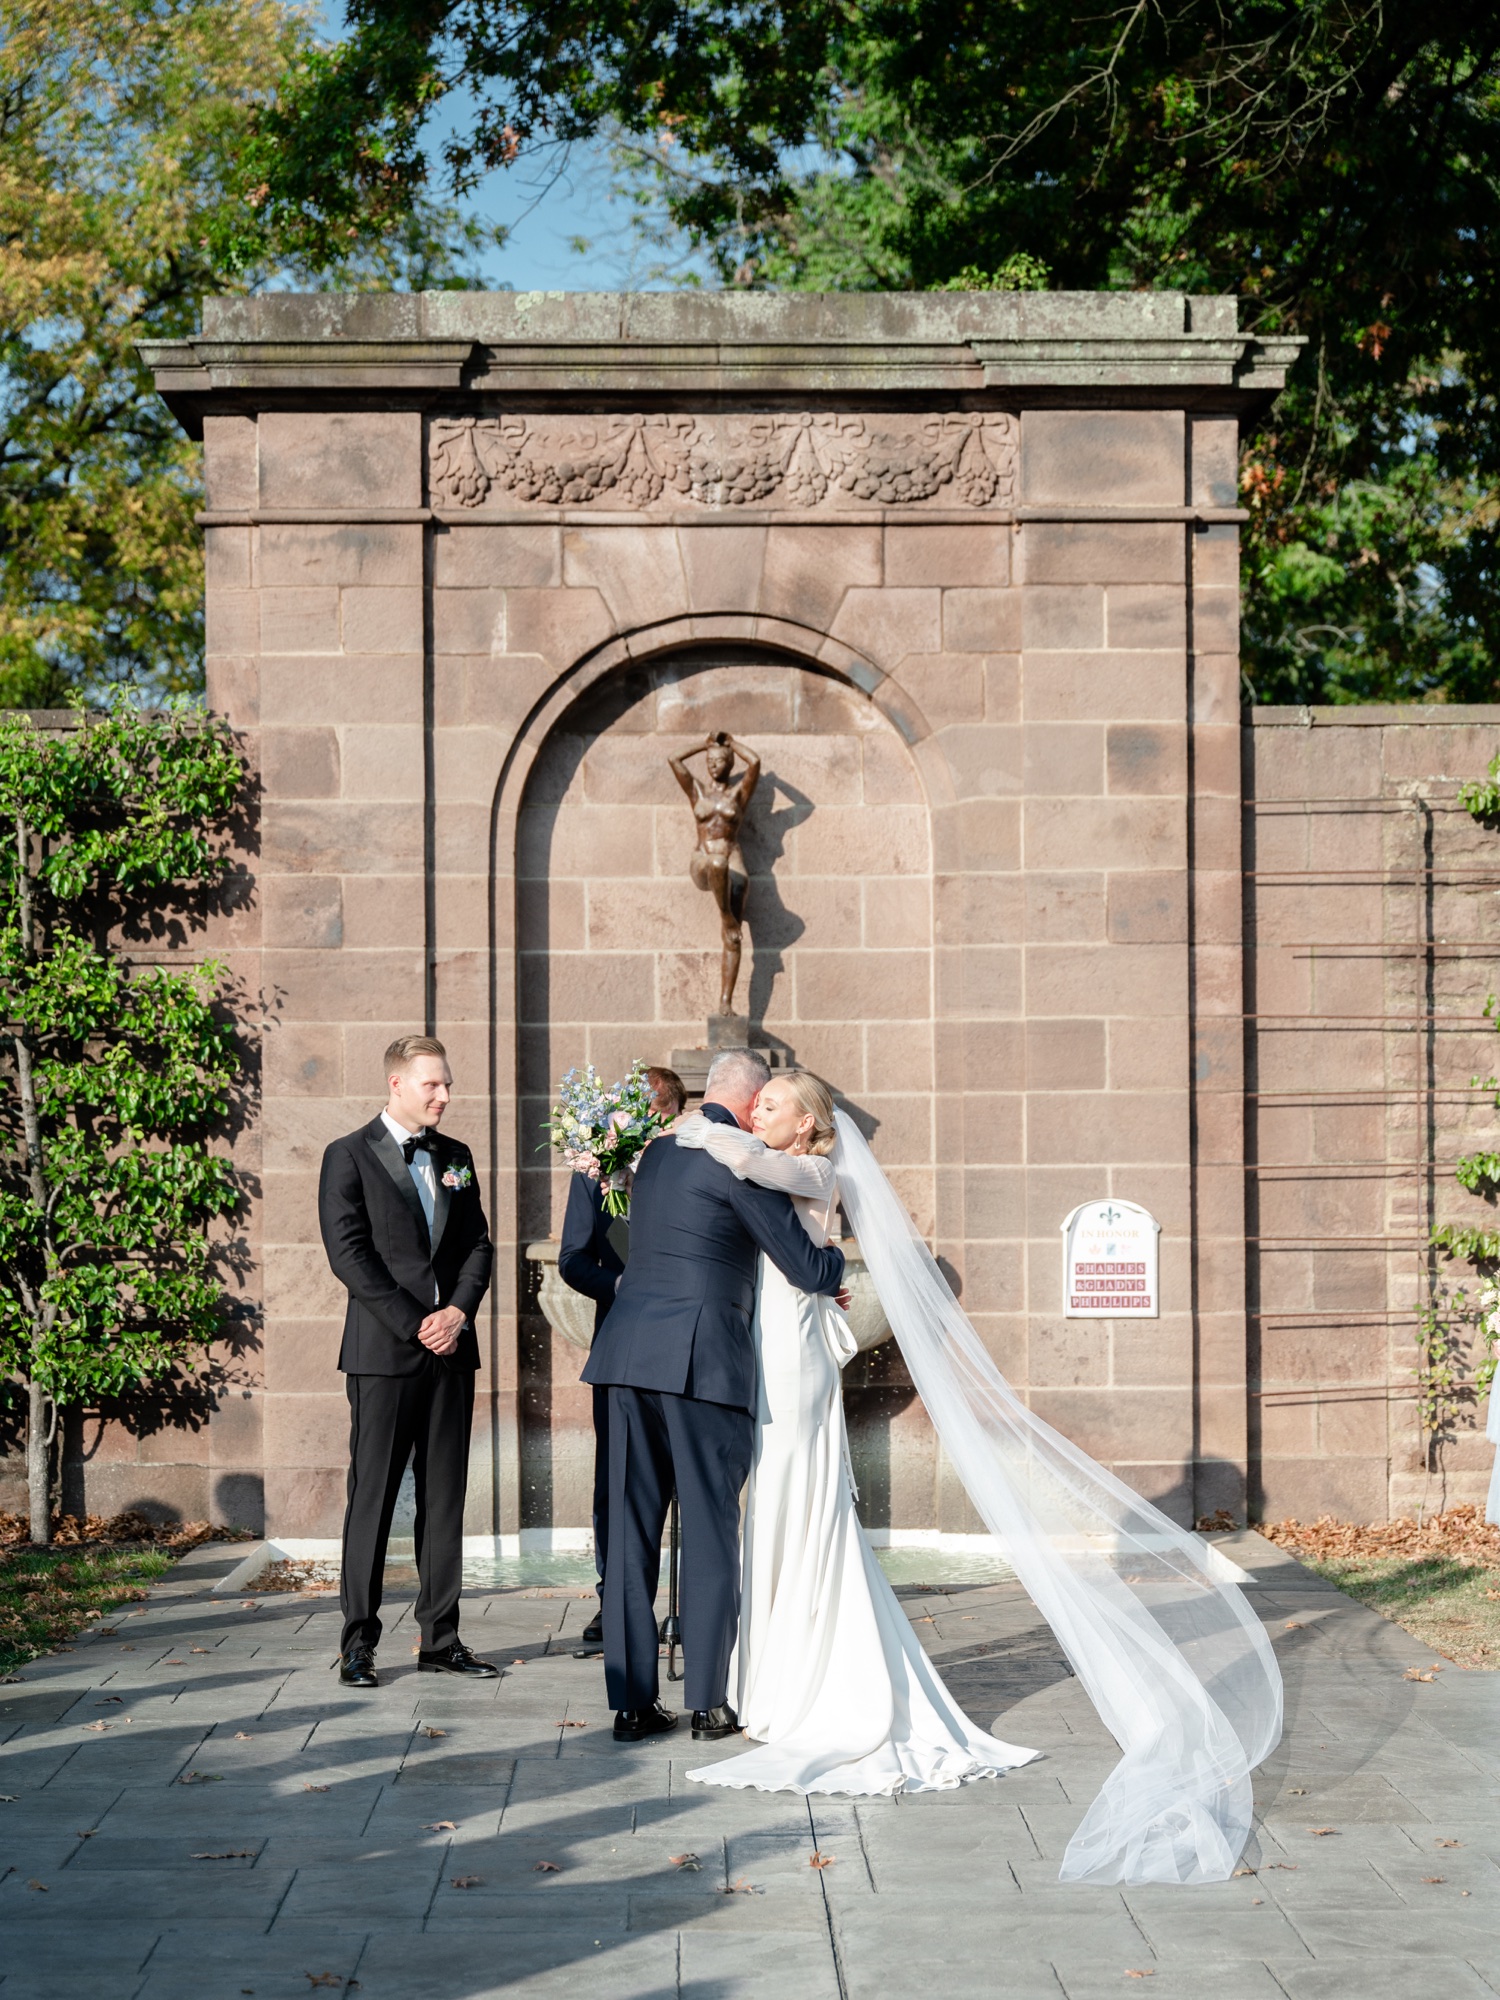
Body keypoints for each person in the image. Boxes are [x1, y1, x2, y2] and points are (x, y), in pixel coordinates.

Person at [676, 1073, 1284, 1887]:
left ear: (810, 1124)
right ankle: (784, 1667)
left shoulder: (814, 1170)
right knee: (782, 1498)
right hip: (776, 1337)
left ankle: (818, 1678)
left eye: (776, 1104)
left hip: (795, 1350)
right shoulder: (779, 1157)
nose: (761, 1113)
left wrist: (701, 1128)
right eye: (761, 1103)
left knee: (797, 1490)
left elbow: (752, 1166)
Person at [580, 1048, 846, 1744]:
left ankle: (633, 1705)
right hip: (701, 1366)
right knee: (706, 1527)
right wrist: (836, 1261)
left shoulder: (659, 1154)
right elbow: (806, 1265)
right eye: (763, 1106)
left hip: (626, 1356)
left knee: (630, 1533)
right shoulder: (739, 1162)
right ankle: (708, 1702)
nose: (762, 1119)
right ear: (753, 1098)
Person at [318, 1035, 497, 1688]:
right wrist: (415, 1323)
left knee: (445, 1500)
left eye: (447, 1084)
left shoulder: (458, 1157)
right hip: (384, 1355)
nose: (445, 1096)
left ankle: (441, 1639)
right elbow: (350, 1255)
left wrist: (458, 1313)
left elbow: (479, 1243)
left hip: (451, 1353)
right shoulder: (347, 1156)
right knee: (374, 1497)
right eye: (433, 1085)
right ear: (397, 1084)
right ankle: (358, 1644)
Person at [558, 1065, 687, 1651]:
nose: (644, 1123)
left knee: (695, 1482)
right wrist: (625, 1286)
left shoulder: (700, 1165)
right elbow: (573, 1258)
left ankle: (691, 1606)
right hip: (624, 1345)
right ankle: (618, 1603)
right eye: (637, 1112)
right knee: (619, 1483)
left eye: (655, 1112)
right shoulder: (595, 1172)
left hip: (694, 1344)